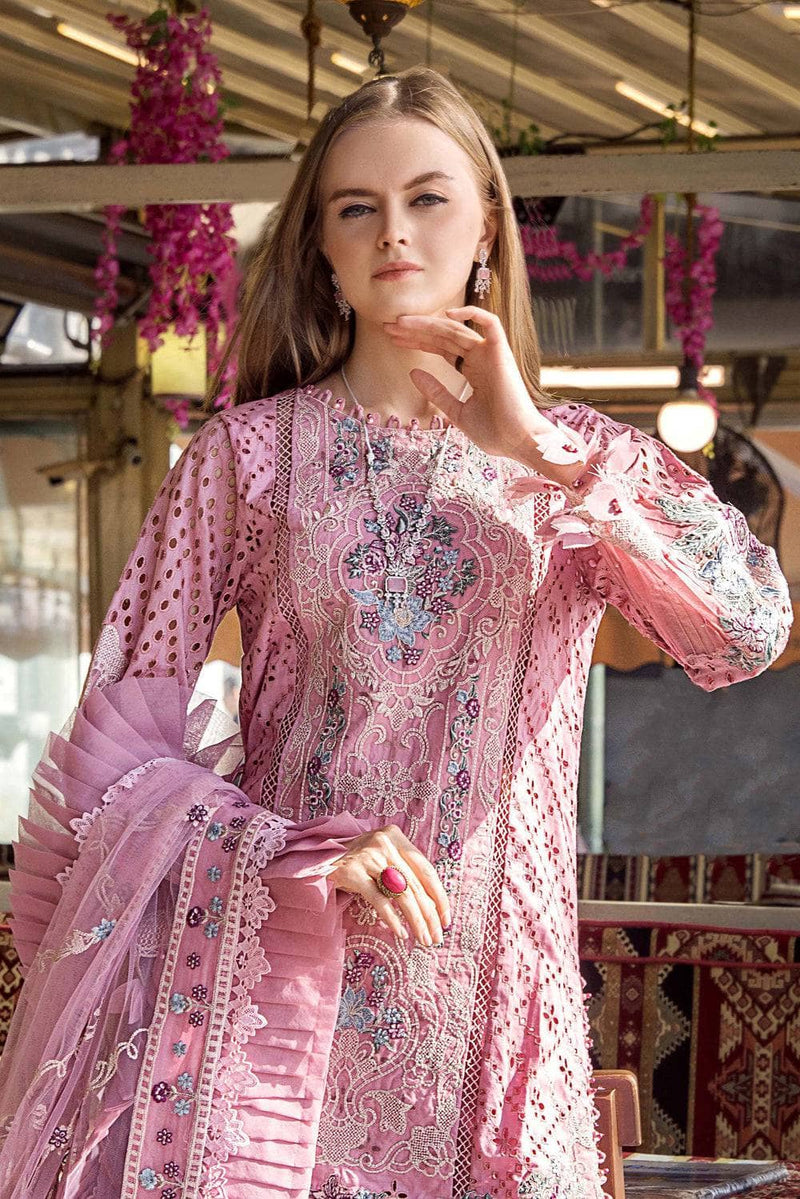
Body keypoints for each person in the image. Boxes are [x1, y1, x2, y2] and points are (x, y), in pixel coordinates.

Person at [0, 66, 792, 1199]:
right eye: (355, 207)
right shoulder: (246, 460)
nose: (393, 233)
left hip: (502, 1031)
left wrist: (540, 450)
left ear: (486, 228)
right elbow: (111, 771)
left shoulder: (573, 464)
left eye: (426, 198)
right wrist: (296, 851)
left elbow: (745, 631)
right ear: (321, 248)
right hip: (286, 1027)